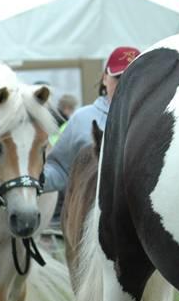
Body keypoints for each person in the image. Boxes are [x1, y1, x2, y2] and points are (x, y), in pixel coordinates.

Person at [42, 46, 139, 195]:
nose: (125, 84)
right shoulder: (82, 119)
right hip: (90, 213)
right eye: (118, 77)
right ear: (105, 78)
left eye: (133, 77)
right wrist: (28, 182)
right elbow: (59, 168)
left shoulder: (160, 120)